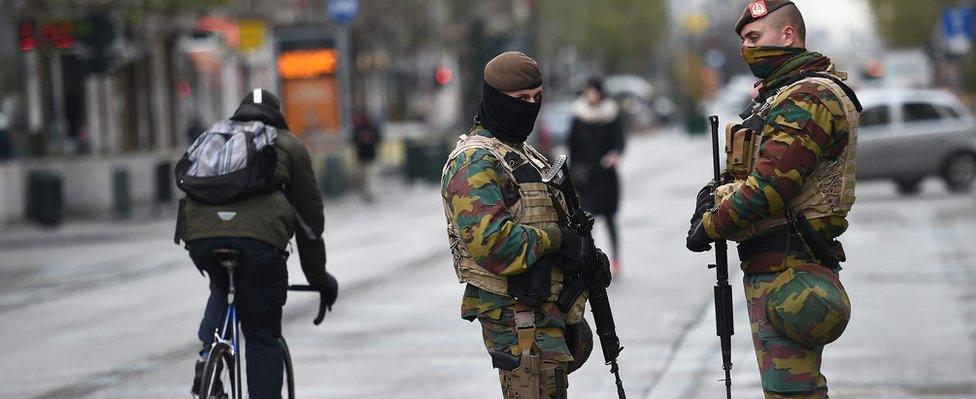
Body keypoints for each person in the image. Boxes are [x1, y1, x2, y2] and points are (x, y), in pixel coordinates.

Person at [686, 1, 861, 398]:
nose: (747, 49)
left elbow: (772, 187)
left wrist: (710, 226)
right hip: (778, 266)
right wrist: (714, 194)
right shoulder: (784, 95)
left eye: (754, 38)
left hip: (790, 270)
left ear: (787, 35)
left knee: (791, 393)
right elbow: (756, 172)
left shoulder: (809, 97)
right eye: (744, 41)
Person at [440, 51, 611, 398]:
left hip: (544, 312)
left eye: (536, 98)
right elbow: (495, 245)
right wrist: (558, 240)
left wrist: (585, 258)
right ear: (496, 99)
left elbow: (554, 219)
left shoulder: (525, 155)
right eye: (520, 100)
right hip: (516, 317)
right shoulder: (475, 161)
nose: (530, 107)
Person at [176, 89, 338, 398]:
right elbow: (310, 221)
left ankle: (206, 356)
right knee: (262, 335)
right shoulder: (288, 144)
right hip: (259, 244)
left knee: (221, 286)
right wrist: (319, 278)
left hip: (200, 235)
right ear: (277, 114)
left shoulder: (217, 136)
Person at [568, 78, 625, 273]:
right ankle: (590, 258)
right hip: (585, 178)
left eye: (594, 91)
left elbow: (619, 141)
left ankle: (616, 259)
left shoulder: (610, 113)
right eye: (588, 91)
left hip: (606, 177)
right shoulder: (578, 114)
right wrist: (574, 170)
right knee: (586, 220)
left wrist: (614, 155)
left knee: (609, 219)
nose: (591, 95)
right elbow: (572, 147)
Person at [351, 110, 383, 203]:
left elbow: (378, 138)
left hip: (370, 155)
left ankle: (371, 193)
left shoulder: (371, 127)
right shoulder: (358, 127)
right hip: (363, 156)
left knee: (371, 176)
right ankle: (367, 193)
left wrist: (370, 138)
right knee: (365, 176)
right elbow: (353, 139)